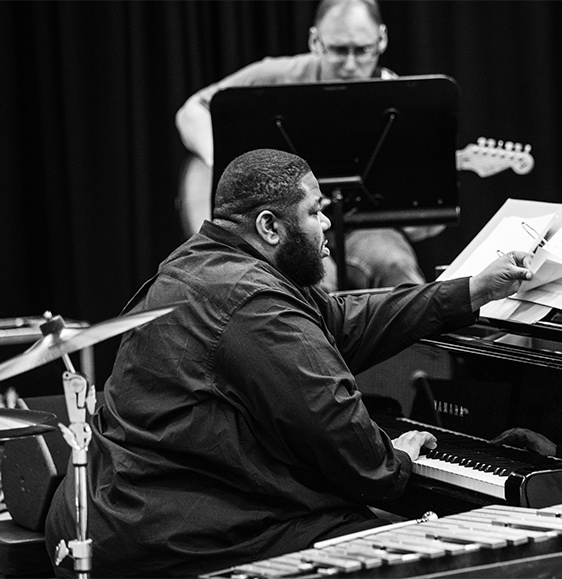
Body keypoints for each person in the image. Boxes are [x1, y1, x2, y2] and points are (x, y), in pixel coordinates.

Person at [44, 148, 535, 577]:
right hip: (168, 539)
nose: (327, 223)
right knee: (420, 551)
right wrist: (399, 459)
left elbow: (344, 321)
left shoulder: (200, 262)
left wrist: (467, 292)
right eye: (315, 211)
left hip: (108, 514)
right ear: (270, 226)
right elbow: (357, 455)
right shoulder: (254, 302)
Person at [175, 0, 441, 292]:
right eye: (339, 50)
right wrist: (231, 168)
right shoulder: (279, 74)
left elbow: (420, 225)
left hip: (359, 226)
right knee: (315, 281)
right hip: (288, 223)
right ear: (315, 40)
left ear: (382, 39)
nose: (351, 65)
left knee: (398, 270)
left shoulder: (400, 101)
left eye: (363, 50)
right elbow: (191, 113)